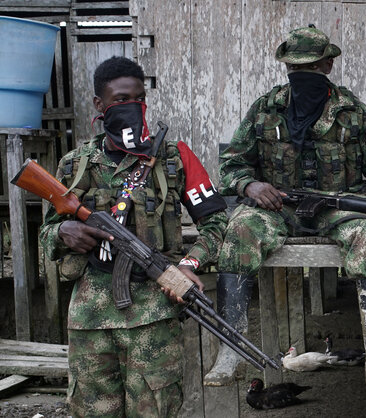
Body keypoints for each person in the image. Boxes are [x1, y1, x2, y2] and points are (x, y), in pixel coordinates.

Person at [208, 26, 366, 391]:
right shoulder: (266, 109)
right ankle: (230, 352)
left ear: (328, 65)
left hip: (336, 207)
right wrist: (250, 185)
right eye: (294, 68)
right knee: (237, 233)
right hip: (278, 207)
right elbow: (233, 164)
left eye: (311, 67)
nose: (302, 75)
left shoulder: (352, 112)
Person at [39, 56, 228, 416]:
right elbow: (46, 232)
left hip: (154, 319)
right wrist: (64, 231)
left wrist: (190, 263)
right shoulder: (74, 165)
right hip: (89, 322)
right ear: (99, 105)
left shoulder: (175, 159)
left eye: (138, 99)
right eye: (120, 100)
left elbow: (218, 224)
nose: (131, 107)